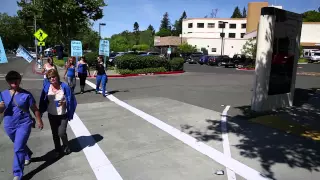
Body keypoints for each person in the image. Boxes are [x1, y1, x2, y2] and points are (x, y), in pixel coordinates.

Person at [0, 71, 44, 180]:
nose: (13, 82)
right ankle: (27, 153)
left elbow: (34, 109)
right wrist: (0, 107)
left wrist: (39, 120)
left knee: (18, 148)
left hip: (24, 123)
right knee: (18, 144)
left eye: (16, 79)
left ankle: (17, 174)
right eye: (10, 80)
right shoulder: (3, 94)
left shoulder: (26, 95)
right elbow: (1, 111)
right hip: (9, 124)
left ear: (19, 80)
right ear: (8, 82)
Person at [39, 69, 77, 157]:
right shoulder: (47, 87)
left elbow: (72, 100)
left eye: (53, 77)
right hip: (51, 114)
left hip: (63, 114)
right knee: (55, 133)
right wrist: (40, 112)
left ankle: (66, 146)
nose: (52, 79)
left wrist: (65, 102)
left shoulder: (64, 87)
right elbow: (42, 100)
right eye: (49, 78)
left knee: (61, 133)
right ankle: (57, 149)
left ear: (57, 76)